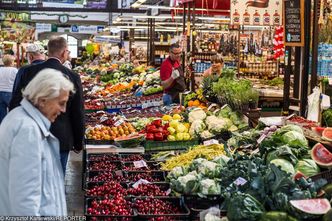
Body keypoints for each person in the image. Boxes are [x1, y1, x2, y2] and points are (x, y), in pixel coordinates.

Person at [0, 68, 73, 215]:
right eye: (61, 103)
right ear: (42, 100)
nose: (63, 110)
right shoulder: (28, 131)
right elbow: (25, 200)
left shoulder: (17, 116)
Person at [9, 36, 85, 175]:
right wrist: (78, 141)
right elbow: (77, 111)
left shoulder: (25, 71)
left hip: (31, 136)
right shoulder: (72, 76)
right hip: (61, 137)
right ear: (63, 52)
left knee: (32, 178)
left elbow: (14, 104)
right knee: (56, 180)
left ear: (48, 51)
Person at [0, 55, 17, 124]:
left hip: (0, 92)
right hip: (9, 92)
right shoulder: (14, 70)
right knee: (12, 112)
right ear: (11, 62)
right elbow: (17, 81)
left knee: (1, 114)